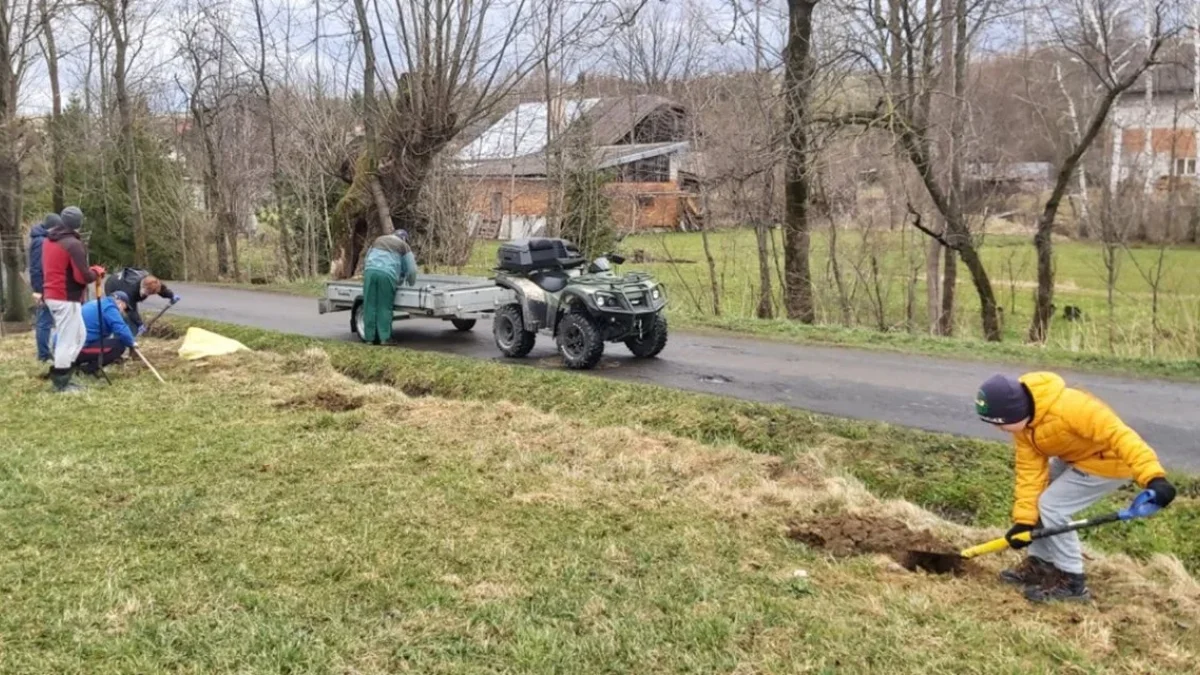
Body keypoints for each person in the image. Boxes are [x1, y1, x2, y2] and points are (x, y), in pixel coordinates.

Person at [975, 372, 1177, 603]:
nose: (999, 430)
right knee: (1040, 496)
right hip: (1075, 458)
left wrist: (1153, 477)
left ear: (1016, 411)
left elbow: (1121, 437)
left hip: (1108, 463)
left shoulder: (1072, 407)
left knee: (1052, 506)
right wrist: (1025, 520)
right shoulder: (1023, 427)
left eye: (1001, 424)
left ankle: (1072, 581)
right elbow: (1030, 474)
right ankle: (1041, 564)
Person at [41, 206, 104, 393]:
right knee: (67, 340)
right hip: (65, 297)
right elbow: (81, 277)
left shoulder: (49, 240)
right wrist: (96, 272)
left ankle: (67, 371)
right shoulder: (73, 244)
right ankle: (61, 382)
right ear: (79, 223)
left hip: (54, 294)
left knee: (79, 335)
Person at [361, 229, 417, 345]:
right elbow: (411, 270)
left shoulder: (378, 240)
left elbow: (367, 259)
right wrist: (410, 282)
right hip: (387, 275)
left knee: (369, 305)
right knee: (384, 306)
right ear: (404, 239)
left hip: (370, 272)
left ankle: (369, 338)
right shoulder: (404, 246)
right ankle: (385, 338)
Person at [73, 290, 138, 374]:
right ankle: (87, 369)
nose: (122, 312)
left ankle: (83, 364)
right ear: (120, 303)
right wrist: (132, 343)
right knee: (118, 346)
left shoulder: (96, 303)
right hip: (77, 349)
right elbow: (121, 328)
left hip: (67, 347)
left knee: (106, 342)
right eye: (124, 308)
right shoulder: (109, 308)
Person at [27, 213, 62, 362]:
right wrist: (38, 291)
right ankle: (43, 355)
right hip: (44, 287)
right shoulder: (40, 242)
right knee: (44, 321)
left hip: (50, 285)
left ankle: (47, 352)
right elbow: (35, 268)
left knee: (48, 320)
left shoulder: (44, 240)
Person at [104, 266, 180, 335]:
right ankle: (122, 336)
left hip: (127, 286)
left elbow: (161, 289)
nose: (149, 295)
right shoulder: (131, 290)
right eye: (149, 293)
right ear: (144, 288)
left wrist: (171, 296)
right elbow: (131, 309)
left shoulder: (151, 281)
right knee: (123, 315)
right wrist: (139, 324)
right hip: (112, 286)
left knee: (132, 320)